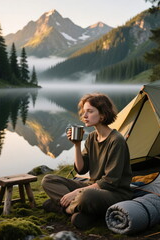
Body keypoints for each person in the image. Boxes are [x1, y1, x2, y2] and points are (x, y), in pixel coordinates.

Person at [41, 93, 133, 230]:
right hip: (92, 186)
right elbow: (81, 169)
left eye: (90, 111)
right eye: (84, 112)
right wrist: (77, 145)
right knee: (48, 180)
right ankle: (82, 210)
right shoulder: (91, 137)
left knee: (86, 195)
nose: (84, 116)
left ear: (102, 115)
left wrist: (75, 192)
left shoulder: (116, 140)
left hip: (114, 193)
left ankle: (64, 208)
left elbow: (109, 182)